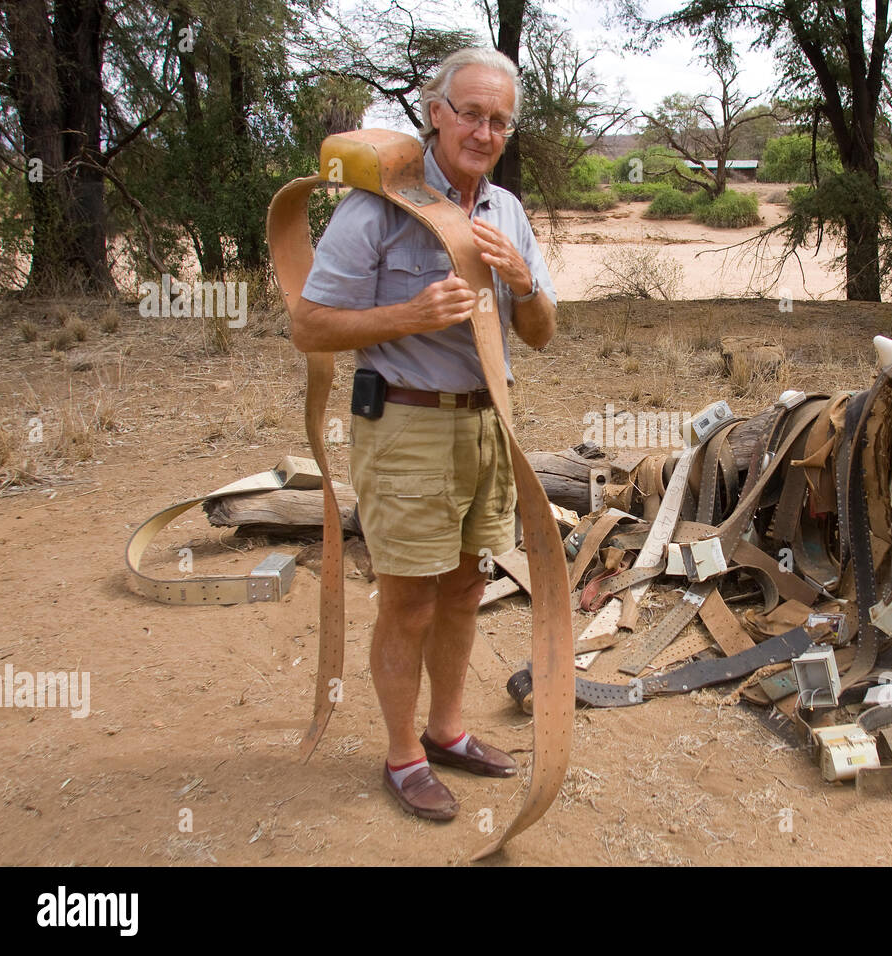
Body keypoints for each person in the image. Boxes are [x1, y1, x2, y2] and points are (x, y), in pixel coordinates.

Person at [290, 47, 557, 821]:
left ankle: (447, 732)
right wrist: (408, 316)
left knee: (469, 589)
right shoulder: (376, 207)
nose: (483, 130)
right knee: (407, 602)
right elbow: (308, 325)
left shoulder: (505, 210)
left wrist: (523, 284)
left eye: (498, 119)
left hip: (488, 425)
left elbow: (540, 333)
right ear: (435, 112)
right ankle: (403, 756)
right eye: (469, 112)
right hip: (405, 426)